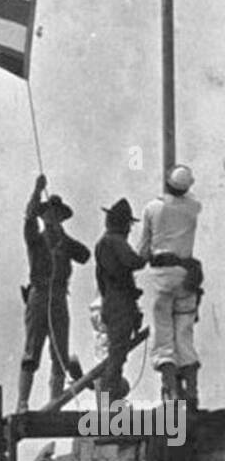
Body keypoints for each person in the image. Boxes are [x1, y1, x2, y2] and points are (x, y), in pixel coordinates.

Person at [17, 174, 90, 412]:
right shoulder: (36, 239)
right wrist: (37, 191)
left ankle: (55, 402)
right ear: (43, 215)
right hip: (39, 296)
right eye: (49, 214)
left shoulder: (64, 241)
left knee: (60, 351)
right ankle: (23, 403)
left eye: (57, 215)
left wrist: (63, 238)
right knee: (32, 351)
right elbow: (28, 218)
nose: (53, 218)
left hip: (58, 297)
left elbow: (84, 255)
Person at [137, 164, 203, 405]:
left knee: (163, 335)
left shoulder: (152, 208)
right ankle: (193, 391)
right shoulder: (193, 208)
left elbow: (143, 250)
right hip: (186, 275)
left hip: (161, 276)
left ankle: (173, 393)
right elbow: (188, 198)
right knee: (184, 334)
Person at [94, 198, 146, 401]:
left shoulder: (103, 243)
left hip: (113, 300)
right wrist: (146, 254)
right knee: (117, 354)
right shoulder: (115, 241)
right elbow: (134, 261)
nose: (130, 229)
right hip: (120, 302)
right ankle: (109, 399)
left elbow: (101, 280)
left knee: (117, 352)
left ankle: (109, 397)